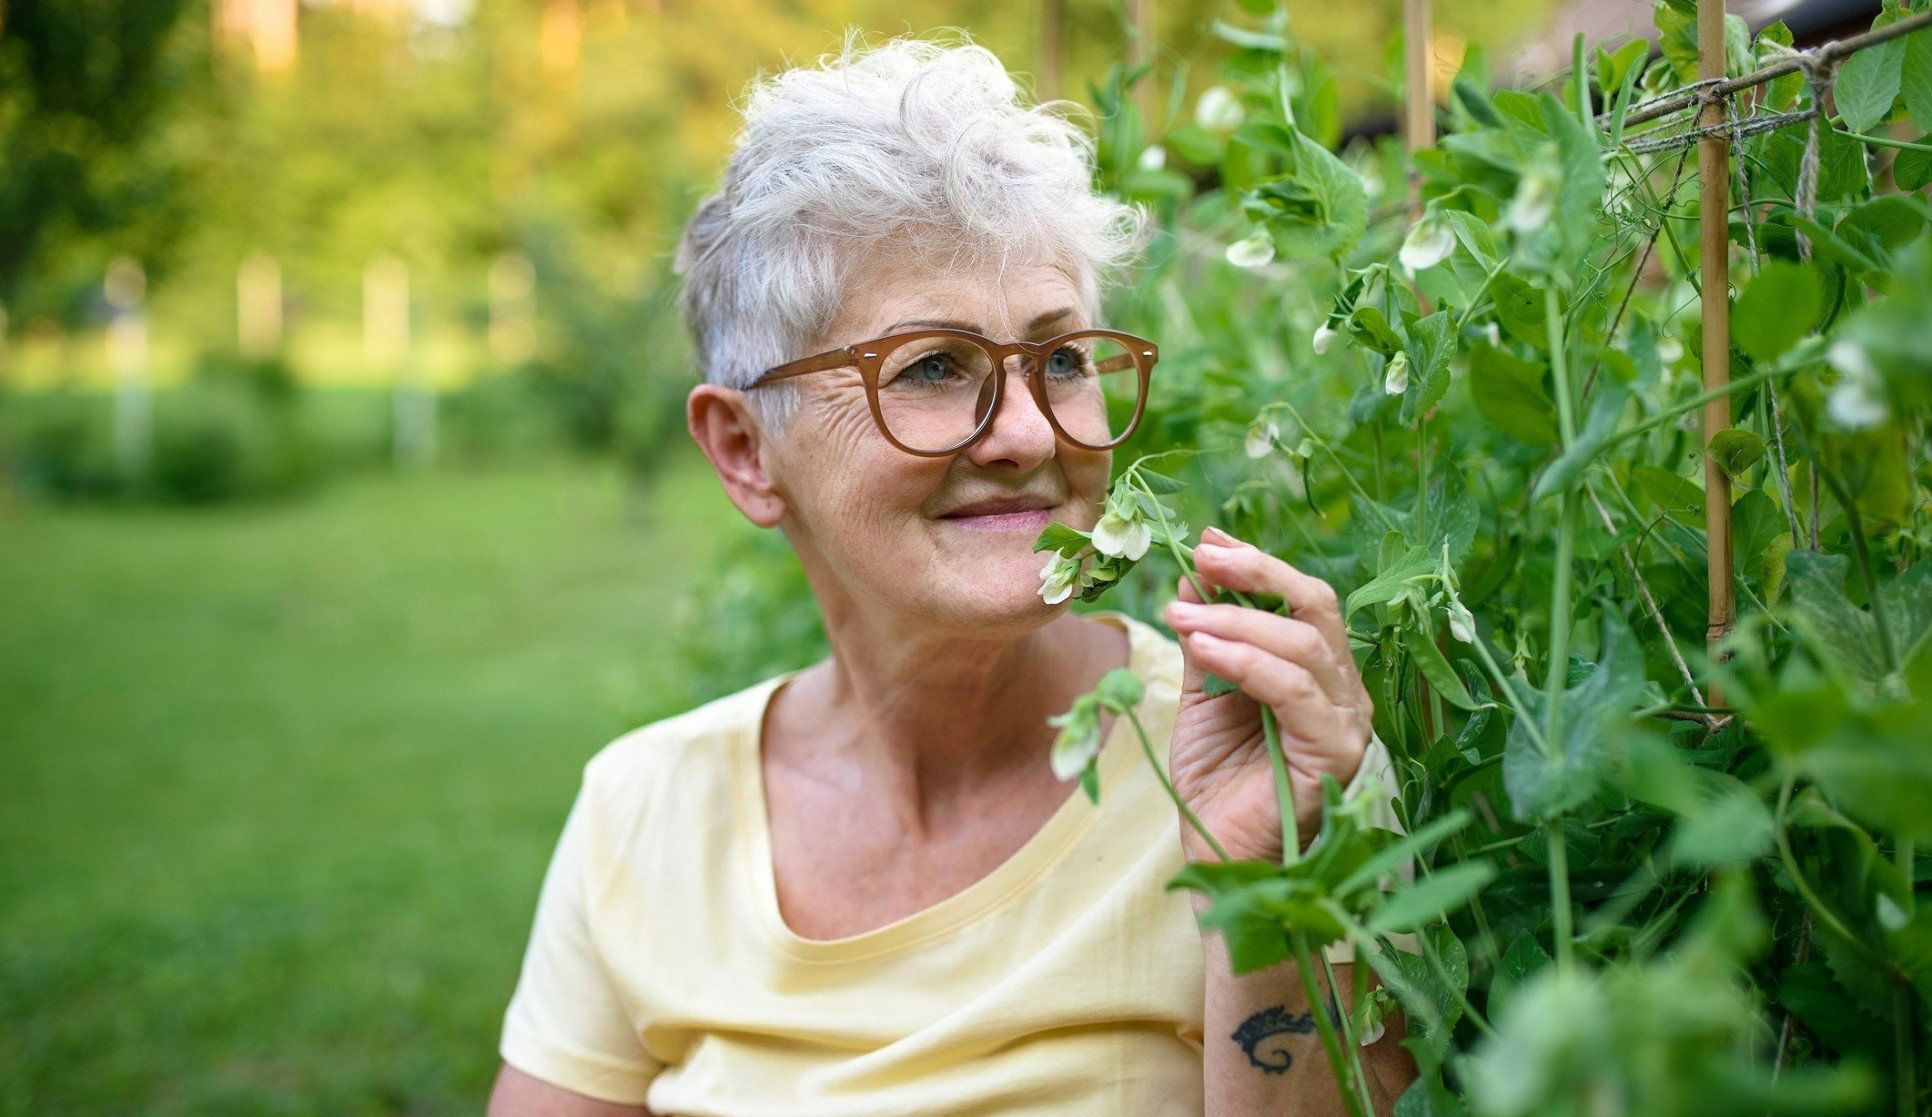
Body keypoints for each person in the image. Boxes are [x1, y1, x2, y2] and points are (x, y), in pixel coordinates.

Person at [487, 32, 1416, 1117]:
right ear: (746, 450)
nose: (1026, 432)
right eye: (932, 367)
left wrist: (1263, 889)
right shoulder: (646, 813)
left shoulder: (1258, 769)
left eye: (1063, 358)